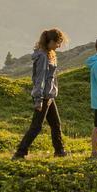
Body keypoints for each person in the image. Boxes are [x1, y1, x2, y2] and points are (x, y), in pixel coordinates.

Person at [13, 27, 67, 159]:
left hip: (48, 96)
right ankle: (20, 152)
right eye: (58, 42)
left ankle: (59, 151)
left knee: (55, 124)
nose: (59, 46)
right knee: (36, 126)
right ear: (51, 41)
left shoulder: (48, 53)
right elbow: (40, 78)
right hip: (43, 96)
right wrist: (38, 99)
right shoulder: (43, 56)